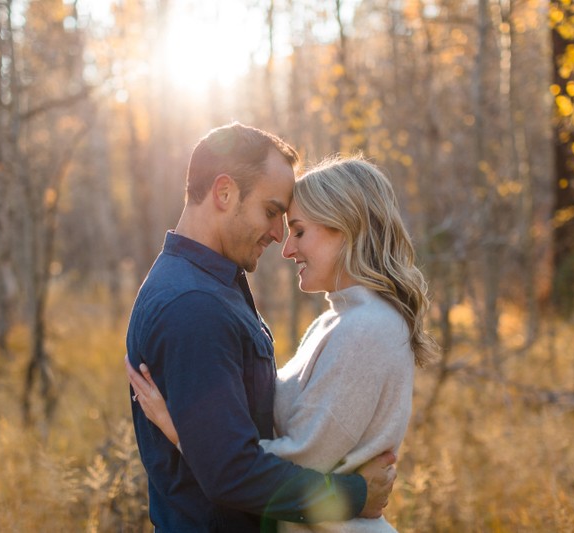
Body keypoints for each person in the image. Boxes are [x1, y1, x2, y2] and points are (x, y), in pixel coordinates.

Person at [129, 154, 439, 532]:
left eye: (299, 231)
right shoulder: (335, 321)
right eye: (280, 222)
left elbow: (304, 462)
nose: (286, 247)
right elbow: (268, 420)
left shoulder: (367, 330)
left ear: (346, 228)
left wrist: (183, 432)